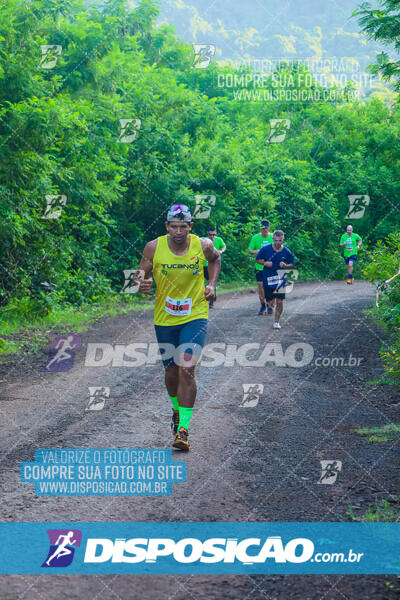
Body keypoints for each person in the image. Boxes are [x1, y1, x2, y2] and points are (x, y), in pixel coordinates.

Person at [135, 204, 221, 451]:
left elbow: (215, 260)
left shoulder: (202, 245)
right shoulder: (154, 247)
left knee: (186, 369)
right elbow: (139, 274)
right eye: (174, 226)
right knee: (171, 373)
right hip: (165, 317)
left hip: (195, 313)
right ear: (167, 227)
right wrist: (141, 282)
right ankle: (175, 408)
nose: (179, 231)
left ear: (191, 226)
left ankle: (183, 429)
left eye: (184, 226)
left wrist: (212, 285)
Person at [255, 230, 295, 329]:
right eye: (276, 240)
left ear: (283, 239)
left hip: (281, 278)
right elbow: (257, 259)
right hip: (268, 278)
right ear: (273, 239)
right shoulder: (265, 249)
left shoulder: (286, 251)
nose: (278, 243)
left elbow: (292, 263)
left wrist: (286, 265)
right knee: (270, 302)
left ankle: (276, 322)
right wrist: (265, 263)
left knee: (280, 301)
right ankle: (269, 303)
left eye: (280, 240)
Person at [248, 219, 274, 315]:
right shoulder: (255, 238)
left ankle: (270, 304)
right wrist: (257, 251)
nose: (264, 230)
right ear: (260, 228)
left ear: (269, 228)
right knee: (261, 286)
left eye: (266, 228)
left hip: (271, 267)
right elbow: (250, 250)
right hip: (259, 267)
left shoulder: (273, 237)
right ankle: (263, 306)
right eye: (263, 228)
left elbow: (279, 248)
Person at [203, 225, 226, 308]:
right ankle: (206, 298)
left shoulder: (219, 240)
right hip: (204, 265)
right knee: (205, 282)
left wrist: (221, 251)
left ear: (215, 233)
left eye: (213, 234)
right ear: (207, 234)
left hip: (214, 265)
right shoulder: (205, 241)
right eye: (210, 235)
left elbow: (224, 246)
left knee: (211, 281)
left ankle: (211, 301)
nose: (211, 236)